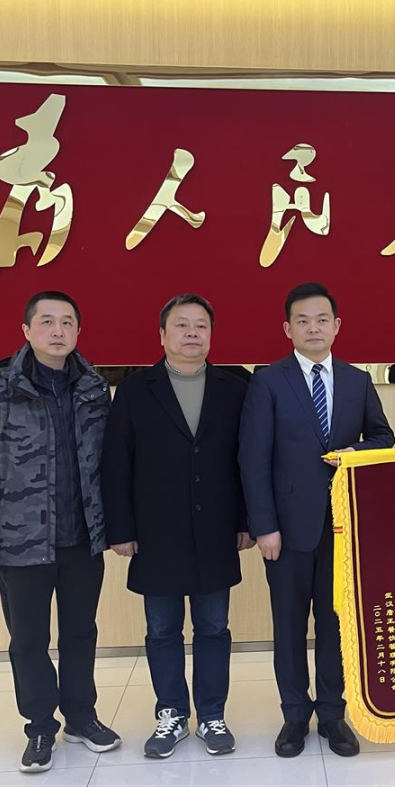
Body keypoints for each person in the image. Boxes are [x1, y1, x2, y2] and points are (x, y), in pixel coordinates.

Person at [0, 291, 120, 773]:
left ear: (78, 332)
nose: (57, 331)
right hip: (21, 538)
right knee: (28, 639)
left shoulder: (94, 388)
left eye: (67, 322)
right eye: (47, 322)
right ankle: (39, 726)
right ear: (27, 331)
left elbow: (112, 462)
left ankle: (81, 717)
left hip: (82, 537)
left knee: (80, 632)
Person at [239, 282, 395, 758]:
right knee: (289, 625)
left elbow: (384, 437)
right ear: (288, 328)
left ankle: (332, 713)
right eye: (303, 321)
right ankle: (294, 715)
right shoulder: (268, 381)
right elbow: (253, 458)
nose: (313, 328)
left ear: (337, 325)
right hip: (286, 530)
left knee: (335, 624)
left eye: (322, 319)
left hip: (344, 528)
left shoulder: (356, 381)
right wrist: (264, 526)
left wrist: (355, 452)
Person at [101, 293, 255, 759]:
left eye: (200, 325)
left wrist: (247, 520)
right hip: (156, 532)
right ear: (162, 335)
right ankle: (170, 713)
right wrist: (120, 529)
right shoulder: (134, 390)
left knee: (213, 627)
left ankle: (211, 714)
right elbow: (116, 464)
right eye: (182, 325)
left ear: (211, 335)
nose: (192, 333)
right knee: (162, 629)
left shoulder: (235, 388)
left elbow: (247, 461)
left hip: (216, 529)